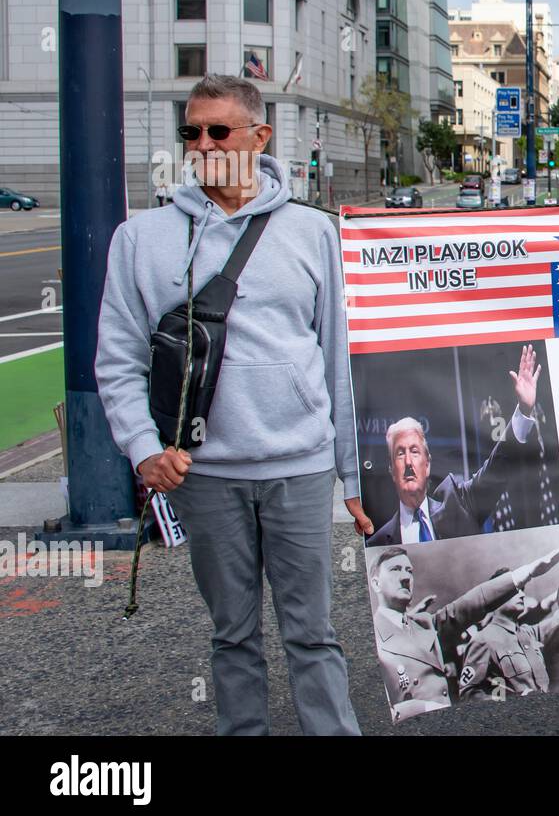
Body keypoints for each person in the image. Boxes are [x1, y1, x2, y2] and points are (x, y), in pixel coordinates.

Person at [96, 74, 368, 735]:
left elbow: (339, 359)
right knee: (233, 634)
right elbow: (119, 359)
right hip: (206, 474)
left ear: (259, 136)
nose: (204, 144)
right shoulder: (141, 239)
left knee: (313, 632)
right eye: (192, 132)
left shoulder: (312, 232)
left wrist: (355, 476)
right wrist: (142, 449)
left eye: (219, 130)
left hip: (299, 468)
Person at [367, 344, 543, 545]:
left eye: (415, 452)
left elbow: (498, 469)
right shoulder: (378, 543)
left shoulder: (458, 504)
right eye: (400, 453)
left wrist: (523, 410)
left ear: (428, 464)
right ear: (391, 470)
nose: (408, 461)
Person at [369, 546, 559, 719]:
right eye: (395, 570)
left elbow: (469, 603)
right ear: (376, 583)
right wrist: (418, 708)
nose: (405, 577)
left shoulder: (425, 624)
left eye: (409, 571)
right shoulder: (373, 637)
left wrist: (526, 573)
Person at [459, 569, 559, 700]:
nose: (522, 595)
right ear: (495, 596)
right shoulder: (483, 640)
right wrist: (512, 700)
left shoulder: (529, 634)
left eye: (522, 590)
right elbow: (468, 694)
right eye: (515, 590)